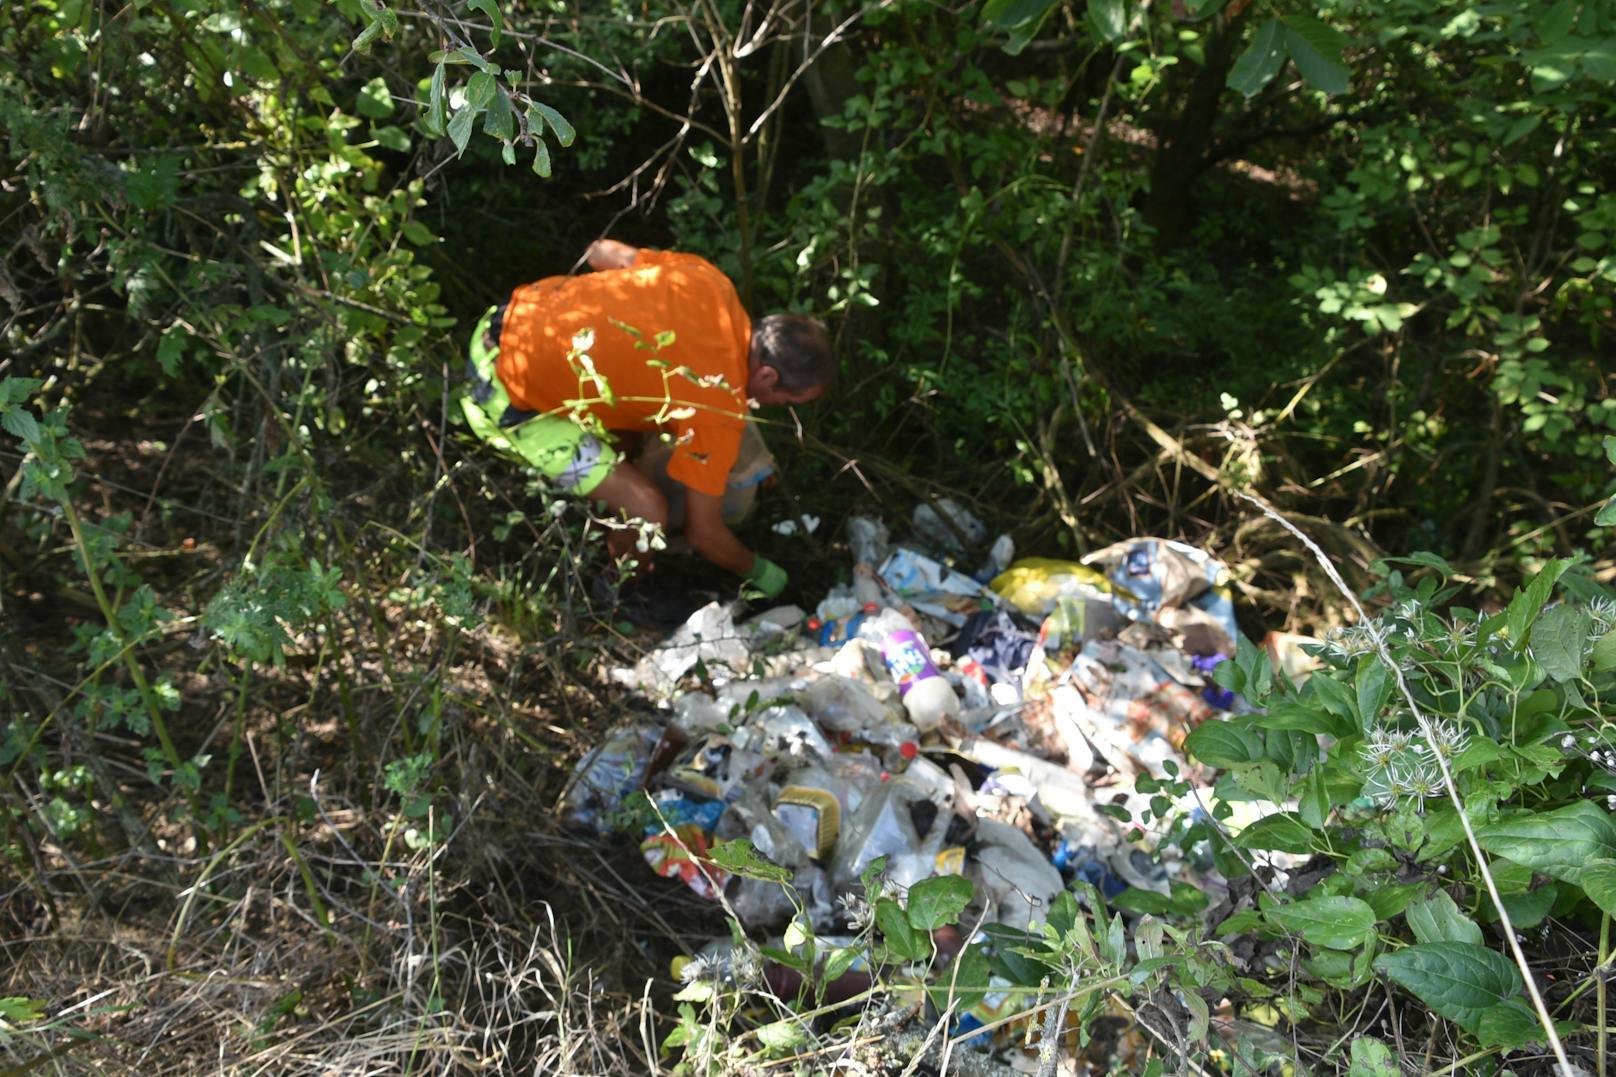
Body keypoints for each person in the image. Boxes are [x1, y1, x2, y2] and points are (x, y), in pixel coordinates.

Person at [461, 238, 833, 609]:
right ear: (767, 376)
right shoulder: (717, 408)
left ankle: (607, 523)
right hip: (504, 403)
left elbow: (599, 251)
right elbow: (704, 535)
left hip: (502, 319)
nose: (776, 407)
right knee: (647, 510)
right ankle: (616, 593)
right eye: (785, 401)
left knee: (633, 439)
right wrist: (764, 573)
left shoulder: (709, 282)